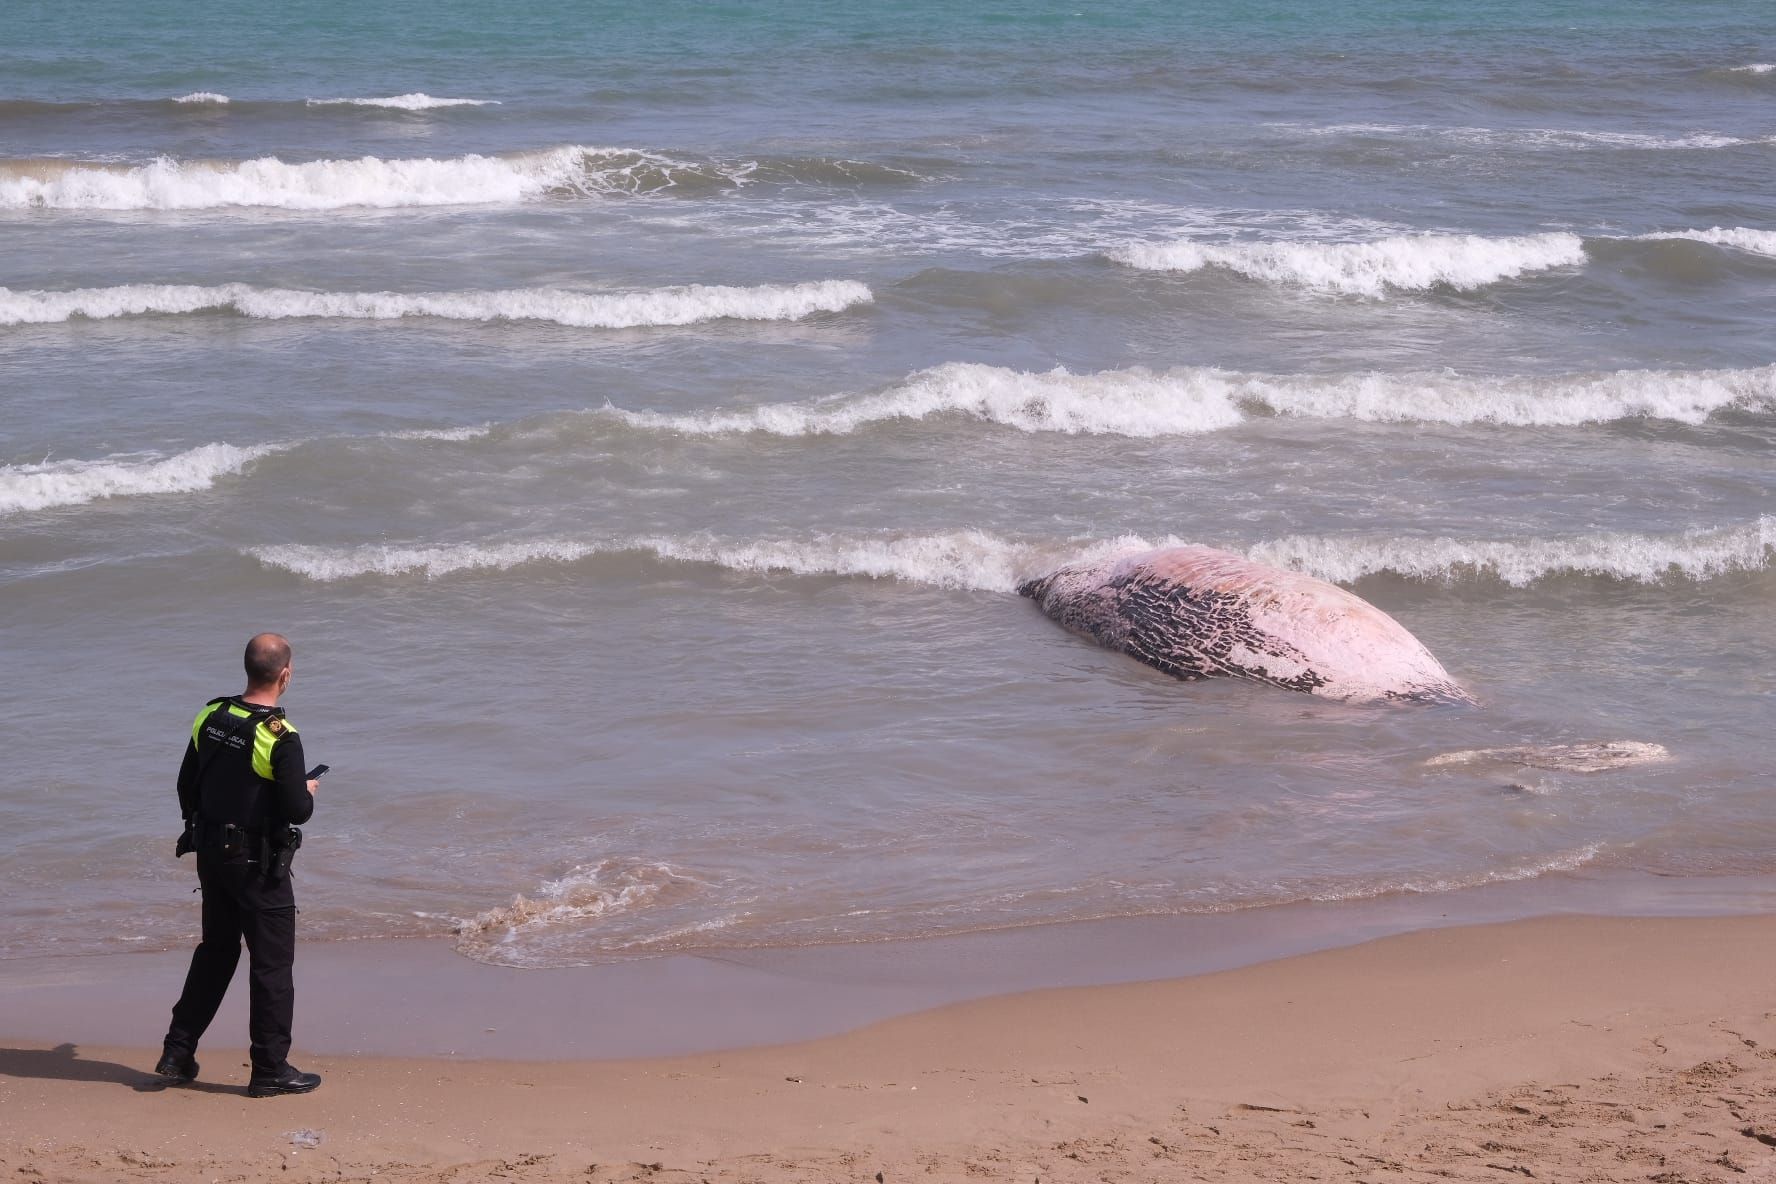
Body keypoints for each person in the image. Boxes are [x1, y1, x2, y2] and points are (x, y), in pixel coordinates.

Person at [156, 633, 322, 1097]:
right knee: (271, 967)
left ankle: (177, 1050)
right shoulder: (281, 737)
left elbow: (187, 784)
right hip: (257, 866)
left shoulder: (211, 714)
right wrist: (305, 791)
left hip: (211, 856)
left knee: (216, 953)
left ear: (247, 669)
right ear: (285, 675)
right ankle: (270, 1069)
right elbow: (295, 810)